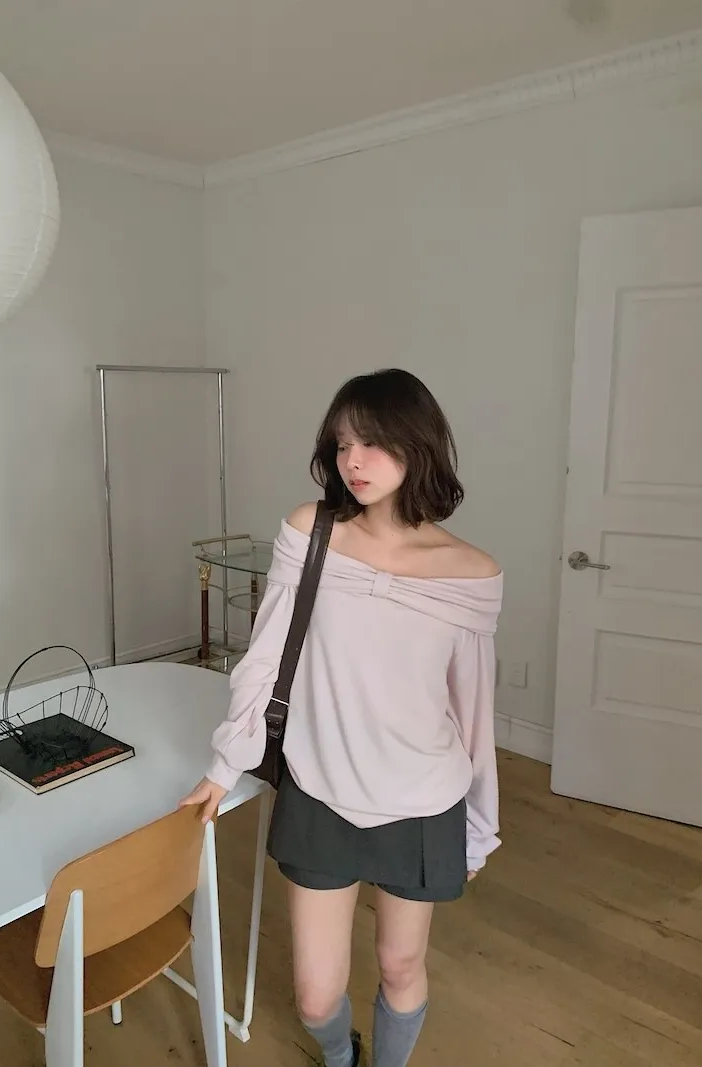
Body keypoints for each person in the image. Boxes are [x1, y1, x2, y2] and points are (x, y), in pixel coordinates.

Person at [179, 367, 503, 1067]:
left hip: (423, 797)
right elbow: (265, 657)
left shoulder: (471, 572)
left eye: (372, 442)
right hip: (320, 786)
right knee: (315, 996)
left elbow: (473, 712)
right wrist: (225, 763)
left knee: (401, 965)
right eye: (343, 443)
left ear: (417, 443)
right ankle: (340, 1055)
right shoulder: (311, 532)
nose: (353, 460)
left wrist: (479, 826)